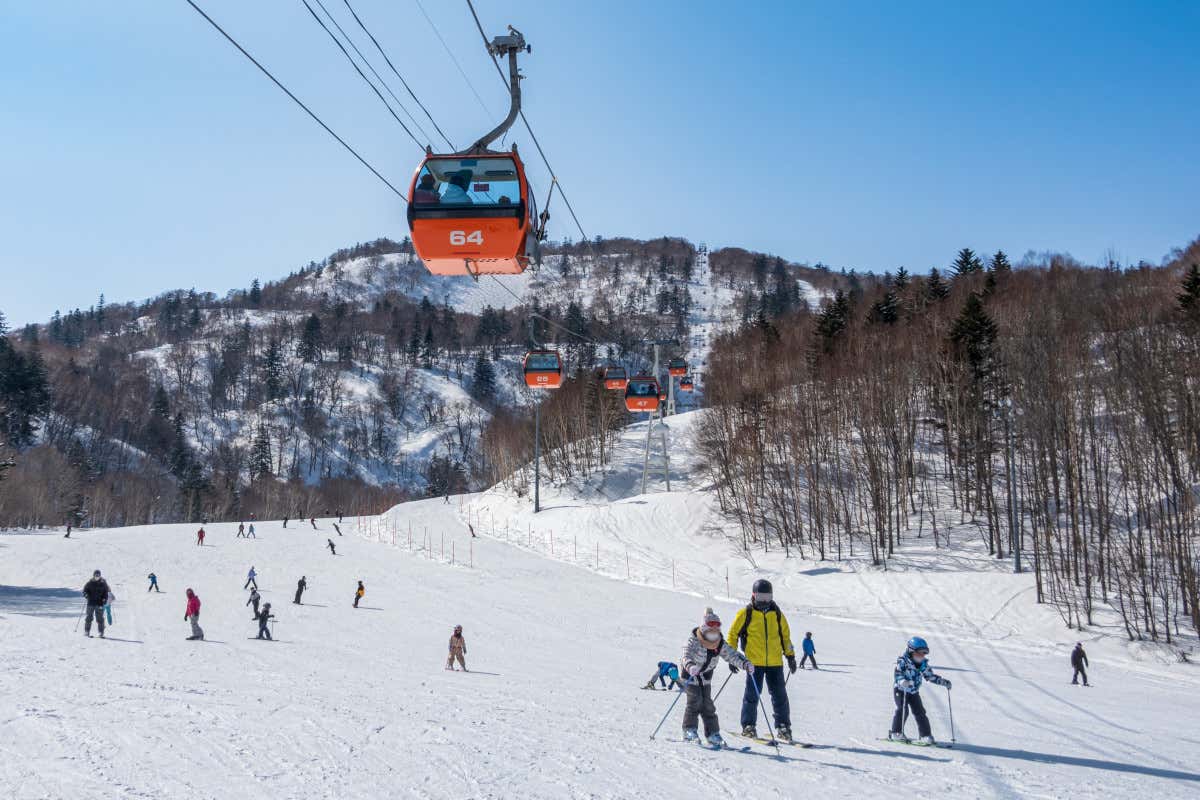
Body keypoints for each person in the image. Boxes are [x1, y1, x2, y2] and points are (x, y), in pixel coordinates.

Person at [727, 578, 796, 742]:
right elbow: (732, 634)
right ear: (754, 595)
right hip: (754, 663)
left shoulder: (777, 614)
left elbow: (785, 637)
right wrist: (732, 658)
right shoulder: (746, 613)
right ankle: (748, 726)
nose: (764, 601)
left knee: (780, 696)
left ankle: (783, 727)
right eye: (761, 597)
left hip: (775, 662)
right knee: (752, 695)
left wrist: (790, 656)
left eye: (767, 597)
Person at [681, 608, 751, 748]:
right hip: (691, 674)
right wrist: (690, 666)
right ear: (704, 630)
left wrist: (745, 664)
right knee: (695, 701)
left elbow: (732, 655)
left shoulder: (719, 643)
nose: (713, 634)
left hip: (705, 676)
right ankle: (689, 730)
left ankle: (713, 734)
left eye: (716, 631)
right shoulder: (694, 640)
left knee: (708, 705)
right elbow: (686, 655)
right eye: (710, 631)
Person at [888, 636, 950, 744]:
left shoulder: (923, 664)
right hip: (901, 690)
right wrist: (902, 681)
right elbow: (898, 674)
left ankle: (925, 735)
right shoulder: (903, 662)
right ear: (911, 651)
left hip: (913, 692)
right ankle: (896, 733)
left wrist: (943, 682)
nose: (922, 656)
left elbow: (930, 676)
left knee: (920, 712)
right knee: (903, 710)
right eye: (919, 653)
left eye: (924, 653)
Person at [82, 570, 111, 638]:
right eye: (96, 575)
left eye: (98, 575)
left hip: (99, 603)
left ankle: (101, 632)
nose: (97, 576)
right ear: (94, 575)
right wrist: (86, 595)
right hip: (91, 603)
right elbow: (84, 590)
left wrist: (104, 599)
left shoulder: (103, 584)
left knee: (100, 618)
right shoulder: (90, 583)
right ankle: (87, 631)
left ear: (100, 576)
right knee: (89, 617)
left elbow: (106, 593)